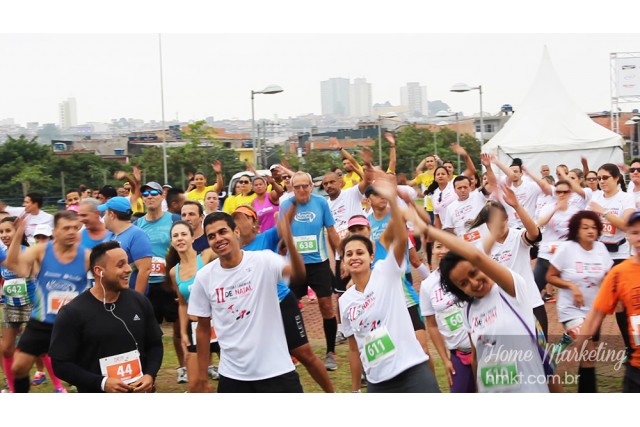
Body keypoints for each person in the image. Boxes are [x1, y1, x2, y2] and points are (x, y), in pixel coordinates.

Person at [339, 175, 440, 393]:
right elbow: (354, 349)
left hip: (412, 371)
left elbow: (400, 239)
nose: (355, 257)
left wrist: (394, 199)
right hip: (378, 382)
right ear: (344, 261)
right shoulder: (345, 300)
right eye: (349, 254)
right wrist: (356, 389)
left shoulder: (386, 272)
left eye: (360, 252)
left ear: (371, 255)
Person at [188, 211, 306, 393]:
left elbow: (297, 274)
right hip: (233, 376)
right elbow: (202, 328)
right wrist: (202, 377)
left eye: (222, 232)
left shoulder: (264, 260)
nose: (218, 239)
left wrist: (289, 239)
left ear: (236, 232)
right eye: (211, 236)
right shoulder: (204, 277)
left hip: (277, 371)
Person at [430, 223, 555, 393]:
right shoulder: (468, 310)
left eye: (473, 273)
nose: (473, 283)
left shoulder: (510, 288)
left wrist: (428, 229)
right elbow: (476, 359)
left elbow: (477, 256)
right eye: (463, 283)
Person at [231, 206, 335, 392]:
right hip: (257, 311)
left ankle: (330, 392)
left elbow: (284, 223)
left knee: (304, 354)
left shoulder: (266, 237)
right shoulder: (233, 252)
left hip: (281, 303)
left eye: (244, 217)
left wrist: (293, 204)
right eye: (235, 218)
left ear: (255, 223)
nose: (238, 221)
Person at [49, 241, 164, 393]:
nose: (129, 269)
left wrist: (150, 374)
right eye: (120, 265)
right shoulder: (72, 313)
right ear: (99, 271)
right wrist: (101, 383)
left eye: (127, 263)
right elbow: (61, 364)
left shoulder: (140, 301)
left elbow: (155, 345)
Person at [5, 210, 90, 393]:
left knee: (84, 372)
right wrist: (18, 234)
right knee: (18, 368)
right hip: (42, 323)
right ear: (55, 231)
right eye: (66, 228)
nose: (71, 232)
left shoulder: (86, 256)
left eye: (75, 228)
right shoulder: (41, 250)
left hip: (72, 325)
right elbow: (13, 266)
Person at [280, 171, 342, 371]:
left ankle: (330, 352)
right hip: (295, 265)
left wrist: (342, 256)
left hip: (319, 264)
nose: (301, 190)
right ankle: (293, 352)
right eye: (297, 186)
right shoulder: (285, 205)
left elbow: (331, 231)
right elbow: (281, 235)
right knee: (290, 307)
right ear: (292, 188)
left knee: (326, 306)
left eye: (305, 186)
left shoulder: (321, 203)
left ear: (311, 186)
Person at [467, 184, 548, 338]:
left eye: (503, 219)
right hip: (504, 310)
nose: (501, 224)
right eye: (494, 221)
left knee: (541, 354)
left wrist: (517, 205)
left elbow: (534, 234)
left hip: (531, 303)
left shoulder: (518, 236)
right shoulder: (482, 248)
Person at [546, 210, 612, 392]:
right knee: (588, 349)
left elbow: (607, 277)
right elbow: (550, 276)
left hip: (594, 310)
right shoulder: (566, 249)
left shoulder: (601, 249)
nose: (590, 231)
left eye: (593, 227)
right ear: (576, 230)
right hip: (571, 310)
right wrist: (572, 287)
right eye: (585, 227)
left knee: (588, 356)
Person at [576, 210, 640, 392]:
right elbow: (596, 314)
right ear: (627, 236)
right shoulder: (620, 274)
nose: (639, 238)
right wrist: (580, 344)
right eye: (635, 233)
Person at [134, 181, 183, 384]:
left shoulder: (173, 219)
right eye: (145, 193)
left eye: (153, 192)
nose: (149, 196)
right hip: (147, 283)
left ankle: (183, 368)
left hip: (169, 281)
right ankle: (146, 371)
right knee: (147, 331)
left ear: (162, 196)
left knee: (179, 328)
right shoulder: (137, 224)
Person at [587, 163, 635, 362]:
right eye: (599, 178)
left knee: (623, 304)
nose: (601, 182)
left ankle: (631, 347)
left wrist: (603, 211)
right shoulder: (595, 197)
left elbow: (625, 224)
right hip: (598, 255)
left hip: (620, 254)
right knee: (596, 300)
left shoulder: (626, 198)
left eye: (605, 177)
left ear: (616, 178)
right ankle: (591, 346)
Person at [419, 233, 474, 393]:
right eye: (438, 246)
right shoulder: (428, 285)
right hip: (459, 355)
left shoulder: (470, 271)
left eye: (447, 245)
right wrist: (445, 359)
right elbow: (432, 325)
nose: (443, 250)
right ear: (433, 251)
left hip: (486, 349)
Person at [167, 221, 218, 391]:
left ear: (192, 238)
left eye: (183, 234)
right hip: (195, 327)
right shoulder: (174, 272)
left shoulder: (207, 256)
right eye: (175, 236)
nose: (179, 239)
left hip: (218, 325)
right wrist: (183, 333)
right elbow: (182, 304)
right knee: (196, 384)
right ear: (172, 242)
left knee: (233, 379)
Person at [0, 217, 35, 393]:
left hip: (32, 305)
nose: (4, 235)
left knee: (40, 349)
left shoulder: (28, 252)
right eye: (1, 232)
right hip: (11, 306)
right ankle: (12, 388)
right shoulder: (1, 254)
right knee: (6, 349)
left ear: (17, 232)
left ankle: (59, 387)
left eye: (8, 231)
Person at [533, 180, 579, 303]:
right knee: (533, 289)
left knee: (573, 288)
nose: (562, 195)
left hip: (566, 257)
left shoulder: (575, 211)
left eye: (565, 192)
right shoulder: (547, 207)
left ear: (571, 193)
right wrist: (554, 210)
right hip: (547, 255)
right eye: (558, 192)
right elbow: (540, 223)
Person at [98, 196, 152, 294]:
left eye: (105, 214)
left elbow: (145, 270)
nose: (103, 218)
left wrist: (136, 300)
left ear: (111, 214)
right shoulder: (109, 235)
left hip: (128, 298)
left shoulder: (137, 235)